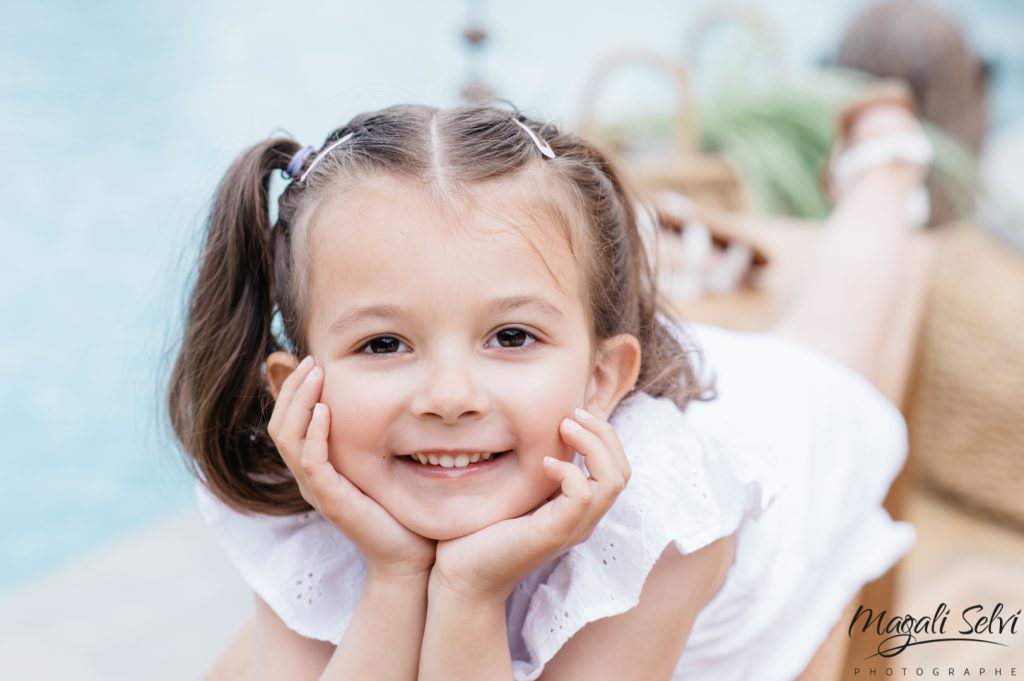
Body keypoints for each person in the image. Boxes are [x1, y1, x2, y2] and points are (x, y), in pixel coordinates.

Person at [166, 95, 927, 680]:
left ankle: (885, 168)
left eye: (510, 336)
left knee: (834, 332)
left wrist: (467, 592)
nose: (449, 395)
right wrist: (396, 575)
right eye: (384, 342)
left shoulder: (658, 528)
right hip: (556, 404)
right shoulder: (319, 492)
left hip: (776, 437)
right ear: (299, 388)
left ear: (602, 380)